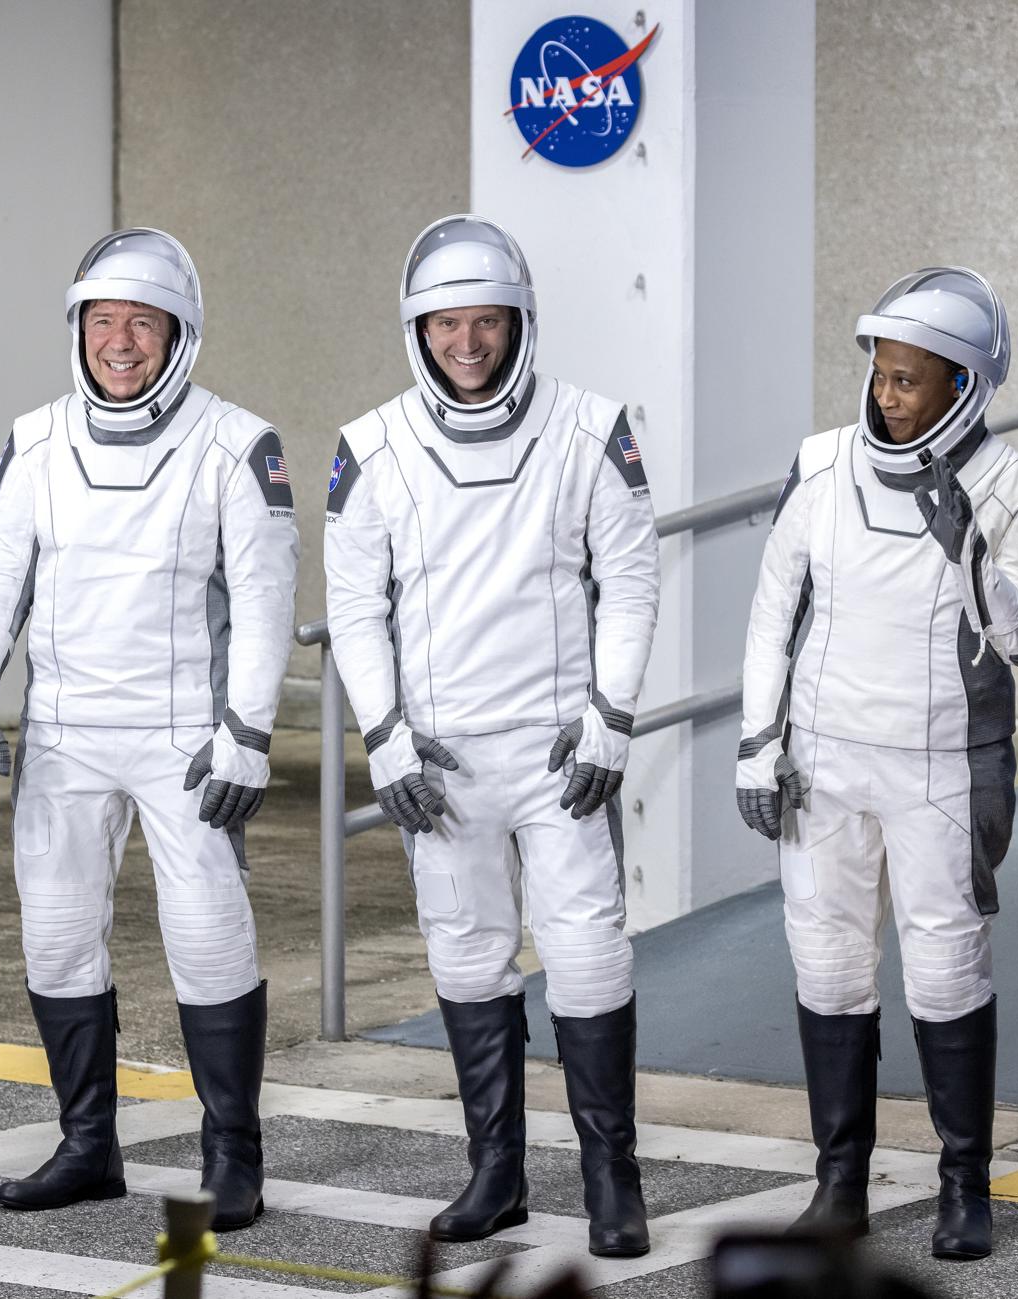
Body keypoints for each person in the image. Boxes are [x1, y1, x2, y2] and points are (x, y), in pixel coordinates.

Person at [0, 229, 299, 1231]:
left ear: (181, 333)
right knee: (55, 943)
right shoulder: (38, 440)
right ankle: (88, 1144)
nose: (120, 341)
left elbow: (266, 604)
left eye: (142, 322)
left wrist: (248, 734)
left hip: (187, 739)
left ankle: (235, 1154)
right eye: (103, 321)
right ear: (79, 330)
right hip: (64, 733)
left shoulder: (238, 443)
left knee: (209, 940)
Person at [322, 215, 661, 1258]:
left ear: (521, 324)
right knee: (468, 957)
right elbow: (351, 603)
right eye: (446, 326)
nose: (466, 345)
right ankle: (497, 1173)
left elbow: (632, 581)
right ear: (415, 330)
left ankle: (613, 1180)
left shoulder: (591, 428)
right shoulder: (370, 446)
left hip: (562, 755)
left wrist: (609, 720)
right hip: (441, 760)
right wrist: (386, 740)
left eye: (486, 324)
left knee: (590, 954)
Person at [735, 268, 1018, 1261]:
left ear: (965, 386)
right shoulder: (821, 462)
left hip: (942, 770)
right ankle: (840, 1184)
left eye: (911, 379)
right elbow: (772, 613)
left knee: (946, 969)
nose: (888, 395)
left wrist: (975, 561)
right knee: (828, 970)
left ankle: (965, 1183)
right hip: (824, 763)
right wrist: (759, 745)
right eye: (881, 373)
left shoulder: (1016, 486)